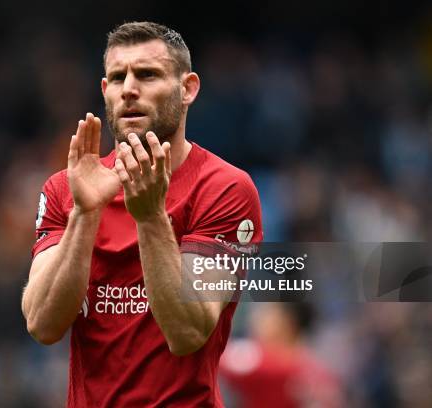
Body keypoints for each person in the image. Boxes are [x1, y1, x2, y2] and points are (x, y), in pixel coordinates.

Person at [22, 21, 263, 407]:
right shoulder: (65, 190)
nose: (129, 89)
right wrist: (85, 213)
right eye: (117, 77)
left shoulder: (225, 189)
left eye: (147, 75)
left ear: (188, 89)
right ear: (105, 90)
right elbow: (42, 324)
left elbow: (187, 331)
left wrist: (150, 217)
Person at [219, 303, 343, 407]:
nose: (255, 319)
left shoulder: (265, 360)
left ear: (285, 322)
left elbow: (215, 357)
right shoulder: (318, 371)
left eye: (266, 314)